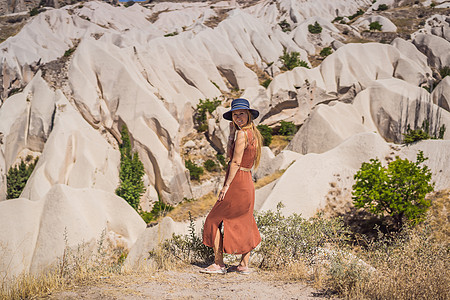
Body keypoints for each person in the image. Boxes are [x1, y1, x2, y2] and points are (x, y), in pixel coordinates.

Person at [201, 98, 263, 275]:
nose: (238, 117)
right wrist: (230, 134)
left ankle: (219, 264)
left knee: (212, 220)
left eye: (241, 113)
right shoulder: (253, 133)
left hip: (236, 182)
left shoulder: (243, 134)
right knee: (245, 221)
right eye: (235, 114)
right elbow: (233, 156)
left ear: (249, 114)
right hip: (247, 181)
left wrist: (226, 186)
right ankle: (244, 265)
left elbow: (234, 162)